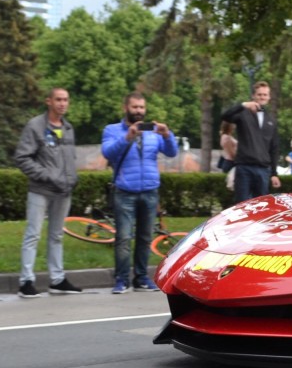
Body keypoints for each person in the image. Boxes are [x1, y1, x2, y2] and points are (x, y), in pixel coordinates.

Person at [101, 92, 179, 294]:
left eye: (141, 108)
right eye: (135, 107)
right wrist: (128, 137)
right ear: (125, 108)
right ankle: (121, 279)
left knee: (145, 237)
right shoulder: (112, 130)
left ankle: (142, 278)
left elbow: (172, 152)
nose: (138, 111)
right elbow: (107, 153)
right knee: (124, 238)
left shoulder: (153, 132)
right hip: (125, 191)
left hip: (150, 191)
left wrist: (167, 135)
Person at [14, 87, 83, 298]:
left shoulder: (68, 128)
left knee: (56, 235)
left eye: (66, 100)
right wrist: (48, 176)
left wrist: (71, 178)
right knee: (33, 234)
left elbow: (69, 160)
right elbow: (22, 158)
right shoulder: (35, 126)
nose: (63, 103)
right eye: (58, 99)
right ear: (49, 101)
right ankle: (26, 280)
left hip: (63, 191)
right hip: (41, 190)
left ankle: (57, 279)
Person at [222, 81, 281, 202]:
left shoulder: (271, 120)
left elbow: (274, 148)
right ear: (253, 96)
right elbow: (225, 116)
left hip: (263, 170)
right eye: (259, 94)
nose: (262, 97)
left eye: (265, 95)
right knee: (241, 205)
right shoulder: (242, 114)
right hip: (244, 167)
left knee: (261, 206)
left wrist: (274, 173)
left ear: (269, 97)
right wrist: (243, 105)